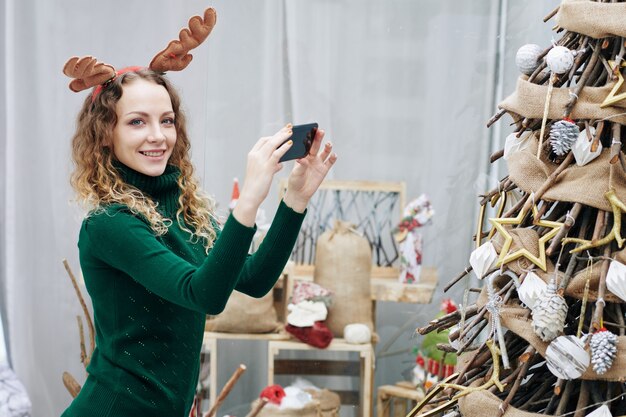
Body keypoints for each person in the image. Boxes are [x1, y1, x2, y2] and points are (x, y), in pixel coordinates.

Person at [60, 8, 337, 417]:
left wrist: (294, 200)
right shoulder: (109, 223)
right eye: (137, 122)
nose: (158, 136)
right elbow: (203, 295)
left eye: (167, 120)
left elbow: (254, 279)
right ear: (105, 135)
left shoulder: (184, 207)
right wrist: (248, 201)